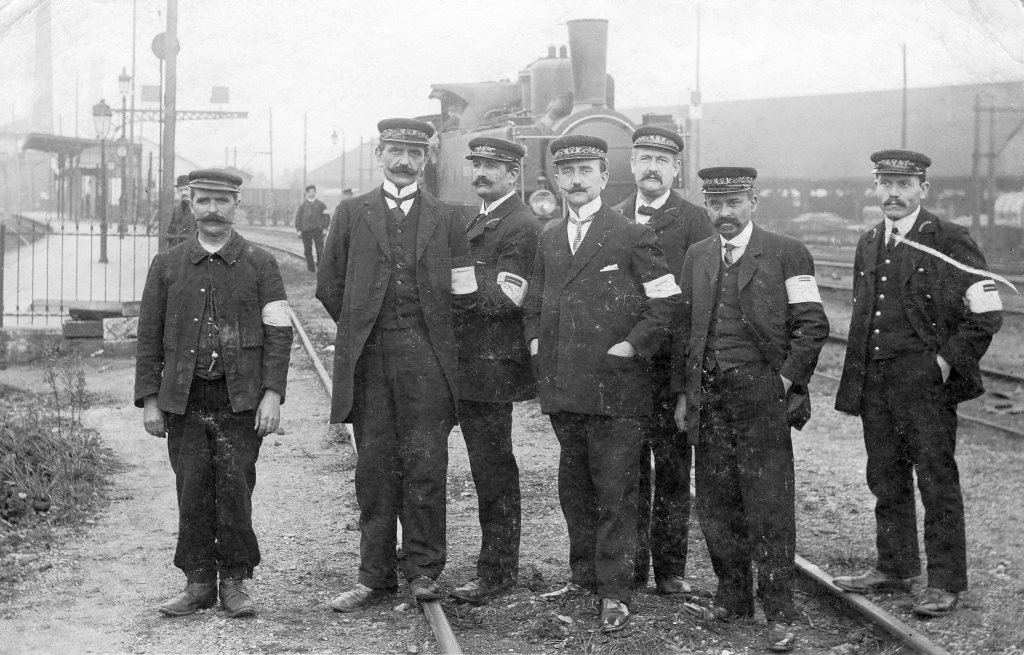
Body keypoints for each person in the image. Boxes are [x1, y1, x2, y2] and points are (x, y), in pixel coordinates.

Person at [832, 150, 1003, 618]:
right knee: (885, 478)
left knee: (936, 480)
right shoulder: (869, 241)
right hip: (878, 385)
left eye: (904, 185)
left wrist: (946, 362)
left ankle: (946, 582)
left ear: (923, 190)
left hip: (925, 385)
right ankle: (895, 566)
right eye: (885, 183)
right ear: (874, 188)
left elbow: (987, 315)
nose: (893, 193)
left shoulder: (949, 239)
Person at [523, 135, 682, 633]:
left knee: (616, 491)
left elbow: (667, 303)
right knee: (574, 487)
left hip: (616, 389)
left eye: (585, 171)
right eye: (566, 172)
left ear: (603, 176)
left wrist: (632, 346)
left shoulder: (630, 234)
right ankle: (584, 577)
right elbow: (535, 299)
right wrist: (534, 341)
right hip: (565, 386)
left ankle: (616, 591)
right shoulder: (548, 236)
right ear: (556, 179)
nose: (575, 180)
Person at [316, 118, 477, 611]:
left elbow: (464, 292)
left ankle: (424, 571)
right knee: (374, 469)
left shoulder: (449, 218)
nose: (404, 160)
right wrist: (364, 324)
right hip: (370, 361)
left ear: (426, 158)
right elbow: (329, 286)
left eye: (414, 152)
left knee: (427, 466)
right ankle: (374, 575)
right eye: (395, 151)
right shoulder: (350, 212)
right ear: (380, 154)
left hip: (426, 361)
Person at [671, 167, 828, 652]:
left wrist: (782, 381)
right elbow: (683, 330)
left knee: (769, 506)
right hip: (708, 400)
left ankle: (780, 609)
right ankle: (733, 595)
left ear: (753, 201)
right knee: (717, 502)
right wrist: (683, 394)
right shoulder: (697, 256)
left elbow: (812, 325)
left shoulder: (786, 252)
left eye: (734, 203)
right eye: (715, 205)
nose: (724, 213)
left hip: (763, 401)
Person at [135, 169, 293, 618]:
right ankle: (198, 581)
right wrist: (150, 399)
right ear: (190, 203)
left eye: (222, 201)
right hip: (183, 398)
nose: (212, 209)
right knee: (192, 488)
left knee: (236, 487)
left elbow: (279, 334)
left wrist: (273, 394)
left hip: (240, 400)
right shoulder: (167, 265)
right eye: (203, 200)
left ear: (236, 205)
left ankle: (236, 582)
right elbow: (148, 337)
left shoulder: (261, 264)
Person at [616, 125, 713, 596]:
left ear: (676, 169)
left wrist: (683, 386)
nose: (652, 167)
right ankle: (630, 568)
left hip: (672, 371)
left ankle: (670, 570)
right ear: (631, 165)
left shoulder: (697, 222)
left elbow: (698, 310)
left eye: (662, 160)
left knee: (674, 471)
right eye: (644, 158)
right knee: (626, 471)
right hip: (625, 370)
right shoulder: (613, 217)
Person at [449, 137, 540, 605]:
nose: (482, 172)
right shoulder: (478, 217)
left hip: (489, 366)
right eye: (478, 164)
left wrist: (446, 291)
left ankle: (498, 571)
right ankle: (486, 563)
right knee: (481, 466)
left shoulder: (521, 225)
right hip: (463, 362)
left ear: (513, 174)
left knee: (493, 469)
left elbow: (507, 297)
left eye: (493, 166)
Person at [295, 184, 329, 272]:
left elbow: (326, 217)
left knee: (320, 250)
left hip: (318, 230)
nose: (311, 194)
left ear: (315, 192)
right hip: (306, 231)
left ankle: (320, 269)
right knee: (307, 250)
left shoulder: (321, 204)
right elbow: (298, 218)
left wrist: (325, 228)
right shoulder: (303, 205)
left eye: (313, 192)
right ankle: (311, 269)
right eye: (309, 192)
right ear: (306, 193)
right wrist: (298, 229)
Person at [166, 174, 196, 247]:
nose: (183, 193)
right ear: (177, 191)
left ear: (192, 190)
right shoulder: (177, 209)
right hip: (179, 248)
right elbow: (171, 232)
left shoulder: (198, 206)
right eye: (181, 190)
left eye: (186, 189)